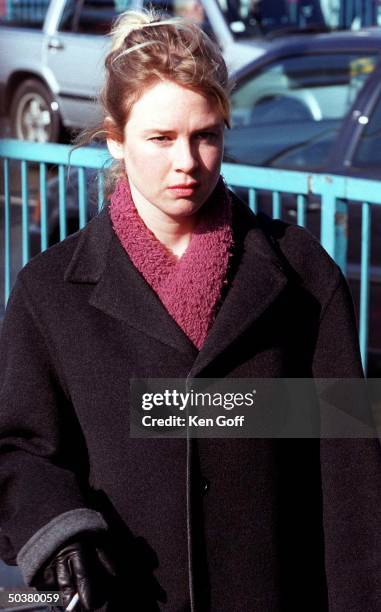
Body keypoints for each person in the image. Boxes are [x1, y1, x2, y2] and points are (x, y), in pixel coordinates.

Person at [1, 8, 381, 612]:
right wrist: (56, 528)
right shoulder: (49, 292)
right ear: (116, 139)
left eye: (207, 135)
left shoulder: (303, 274)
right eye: (160, 138)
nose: (187, 161)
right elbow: (21, 448)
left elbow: (349, 471)